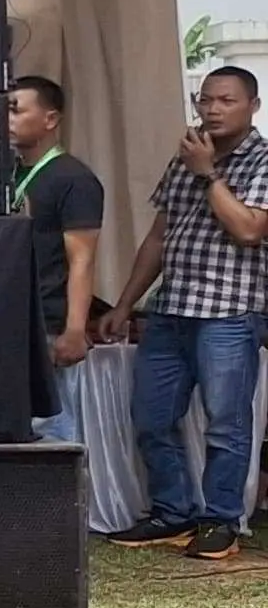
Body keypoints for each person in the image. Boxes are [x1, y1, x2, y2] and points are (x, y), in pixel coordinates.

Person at [96, 64, 268, 557]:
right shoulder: (187, 156)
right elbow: (158, 237)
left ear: (253, 106)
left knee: (226, 424)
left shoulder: (260, 160)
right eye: (205, 99)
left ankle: (221, 520)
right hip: (170, 309)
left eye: (226, 100)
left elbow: (249, 230)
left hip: (231, 312)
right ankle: (172, 512)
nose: (212, 109)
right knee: (151, 417)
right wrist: (125, 303)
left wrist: (208, 173)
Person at [4, 75, 104, 446]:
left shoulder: (73, 179)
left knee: (52, 425)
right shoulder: (6, 173)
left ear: (50, 119)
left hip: (48, 319)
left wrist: (75, 328)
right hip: (7, 318)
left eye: (16, 110)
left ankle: (64, 487)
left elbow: (82, 259)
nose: (7, 119)